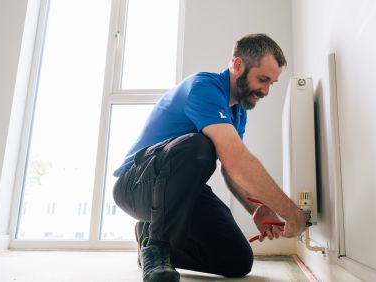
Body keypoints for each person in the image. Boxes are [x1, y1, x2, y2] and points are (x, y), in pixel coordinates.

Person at [113, 33, 306, 282]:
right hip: (135, 185)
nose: (267, 91)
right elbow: (238, 161)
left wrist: (258, 208)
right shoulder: (204, 87)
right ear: (238, 66)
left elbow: (230, 169)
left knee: (237, 260)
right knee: (199, 146)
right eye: (263, 79)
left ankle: (148, 235)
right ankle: (157, 249)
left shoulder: (237, 112)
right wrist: (293, 214)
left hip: (179, 193)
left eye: (272, 83)